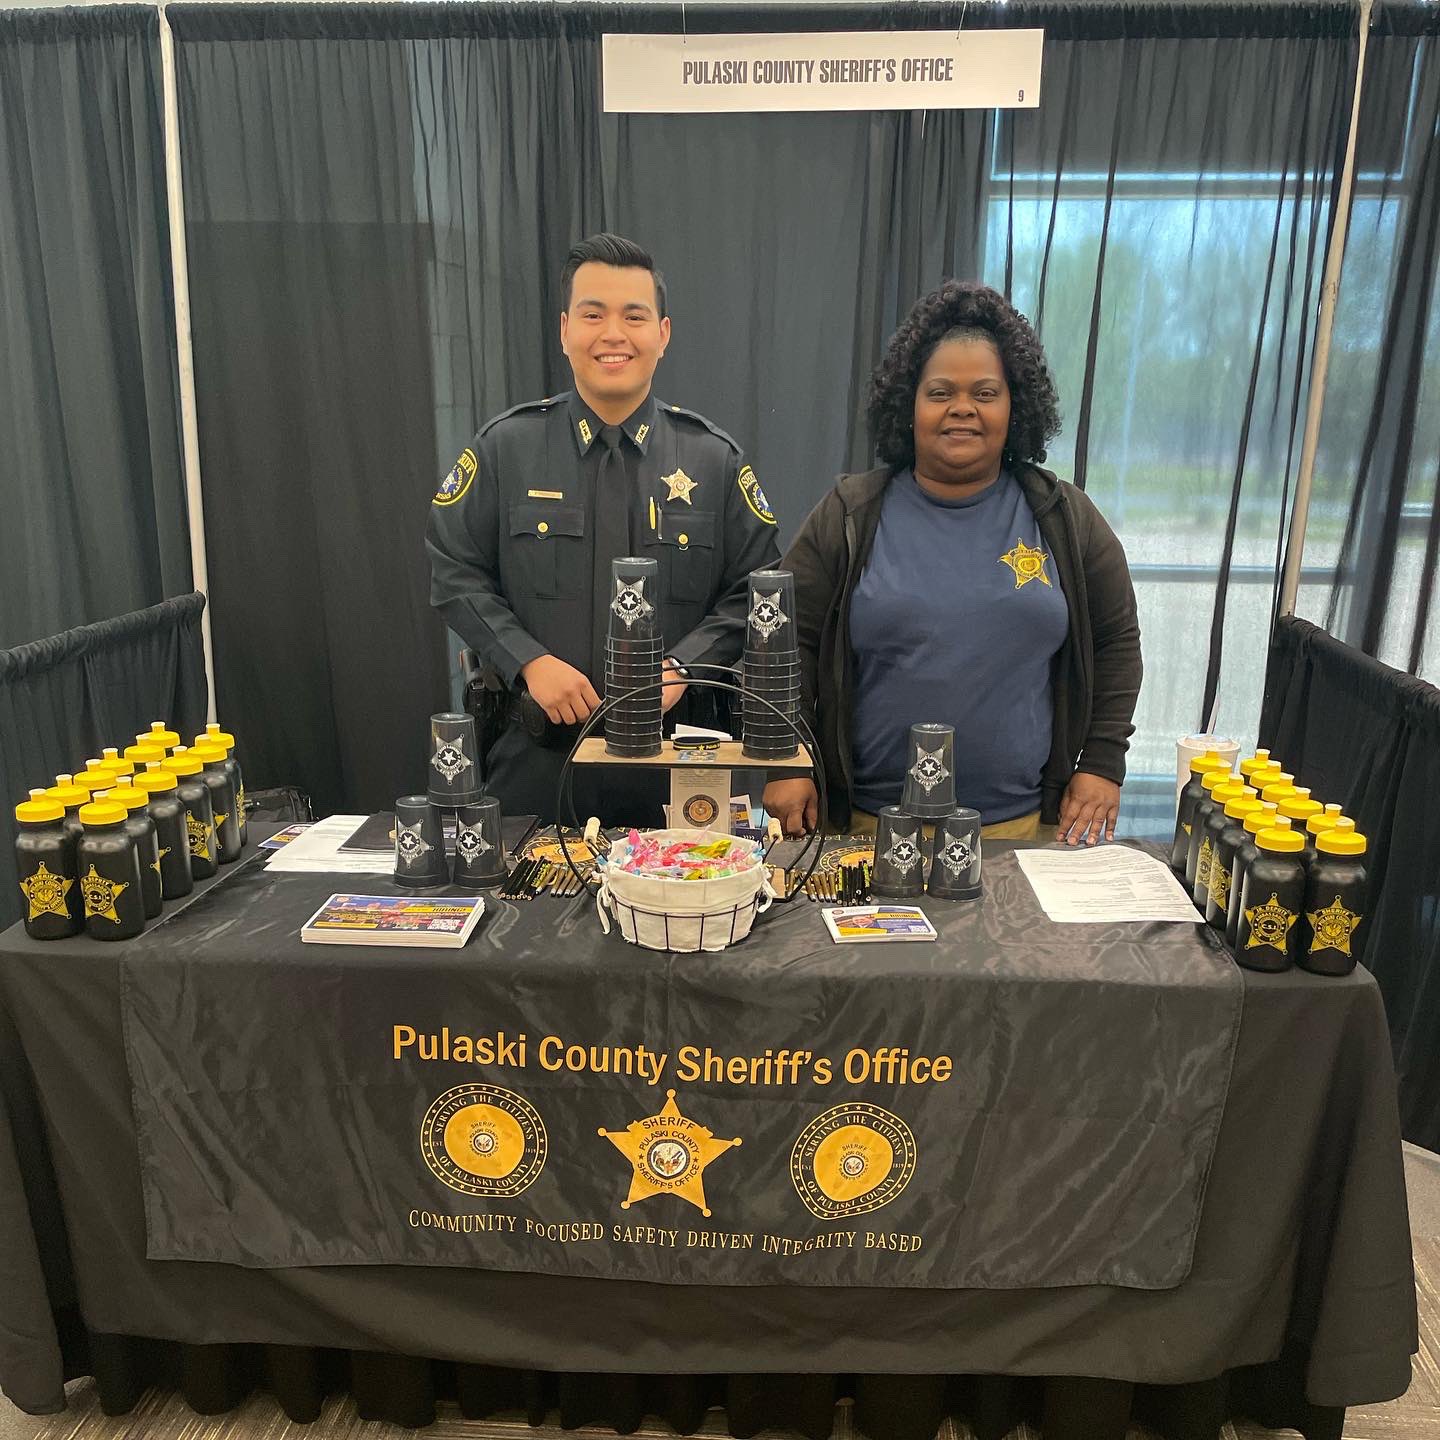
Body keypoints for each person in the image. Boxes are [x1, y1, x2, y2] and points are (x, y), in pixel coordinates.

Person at [764, 280, 1141, 845]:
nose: (962, 408)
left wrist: (1103, 762)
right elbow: (782, 640)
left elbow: (1117, 642)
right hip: (866, 828)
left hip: (1022, 829)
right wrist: (787, 755)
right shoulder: (848, 515)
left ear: (1015, 407)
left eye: (985, 393)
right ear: (908, 404)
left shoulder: (1064, 518)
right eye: (940, 392)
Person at [427, 233, 781, 825]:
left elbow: (758, 588)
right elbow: (453, 568)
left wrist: (685, 666)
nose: (613, 333)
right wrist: (528, 661)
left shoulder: (714, 461)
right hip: (538, 761)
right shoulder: (506, 450)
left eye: (633, 316)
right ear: (565, 330)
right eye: (593, 315)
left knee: (687, 889)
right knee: (524, 889)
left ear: (662, 334)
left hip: (679, 765)